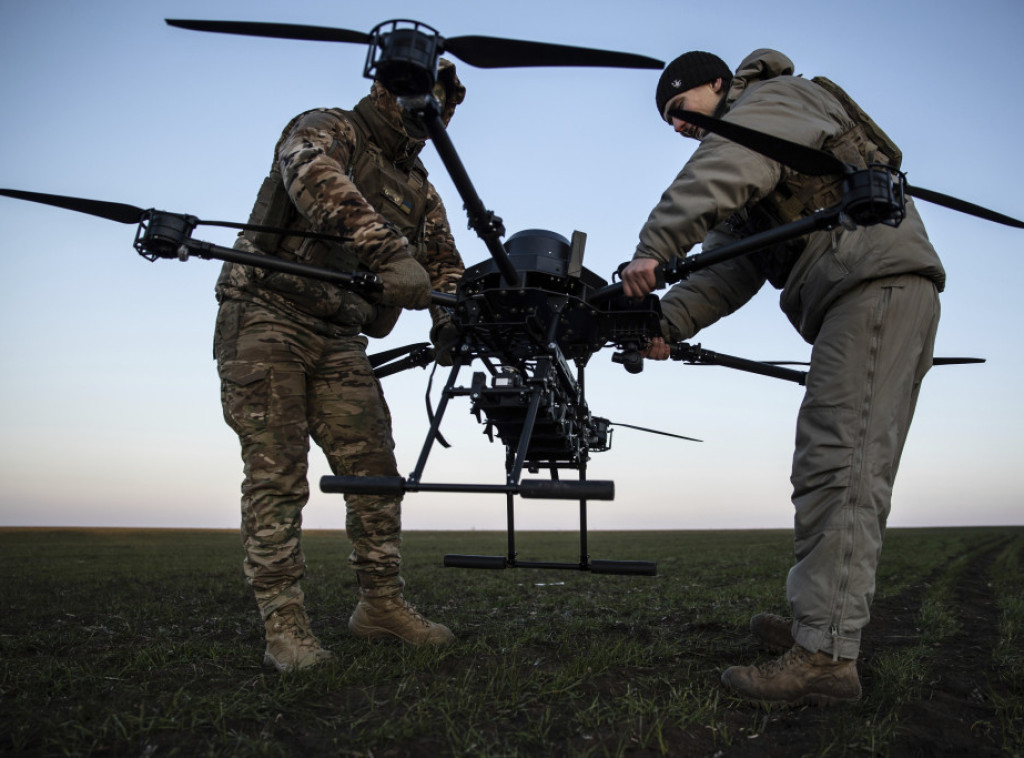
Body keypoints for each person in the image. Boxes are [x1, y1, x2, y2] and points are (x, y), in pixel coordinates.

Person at [621, 49, 945, 705]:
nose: (679, 130)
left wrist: (656, 246)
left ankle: (825, 658)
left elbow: (721, 170)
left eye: (680, 113)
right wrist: (664, 326)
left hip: (875, 288)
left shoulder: (775, 102)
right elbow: (728, 269)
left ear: (717, 85)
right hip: (849, 299)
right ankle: (815, 625)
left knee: (843, 464)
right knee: (820, 462)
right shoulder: (757, 161)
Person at [212, 61, 467, 671]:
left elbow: (444, 259)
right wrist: (383, 250)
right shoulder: (331, 128)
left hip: (342, 334)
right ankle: (285, 626)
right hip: (267, 313)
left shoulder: (421, 186)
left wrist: (452, 316)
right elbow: (310, 172)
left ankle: (379, 604)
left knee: (375, 472)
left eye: (440, 110)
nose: (427, 118)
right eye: (419, 103)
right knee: (277, 475)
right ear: (388, 95)